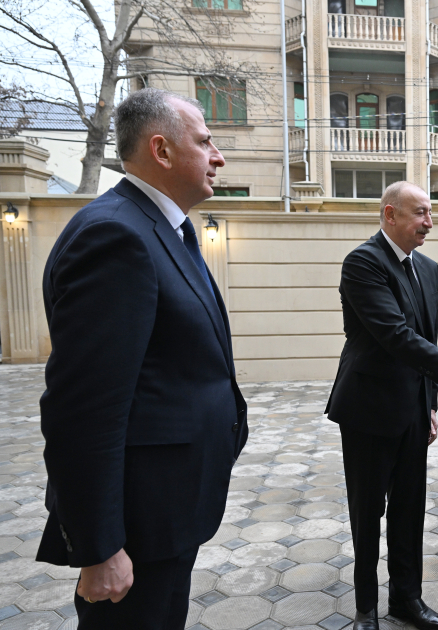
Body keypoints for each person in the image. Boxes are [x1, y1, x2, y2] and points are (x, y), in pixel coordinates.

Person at [36, 88, 248, 629]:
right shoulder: (115, 235)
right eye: (205, 141)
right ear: (162, 150)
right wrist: (100, 546)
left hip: (168, 510)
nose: (218, 156)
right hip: (137, 527)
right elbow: (83, 410)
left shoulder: (165, 229)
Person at [325, 181, 438, 630]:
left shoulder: (426, 267)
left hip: (412, 410)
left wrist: (430, 405)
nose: (429, 221)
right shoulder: (363, 262)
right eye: (420, 212)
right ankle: (367, 608)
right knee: (368, 515)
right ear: (390, 215)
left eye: (430, 212)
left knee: (409, 511)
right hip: (367, 411)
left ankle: (407, 599)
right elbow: (396, 336)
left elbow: (425, 343)